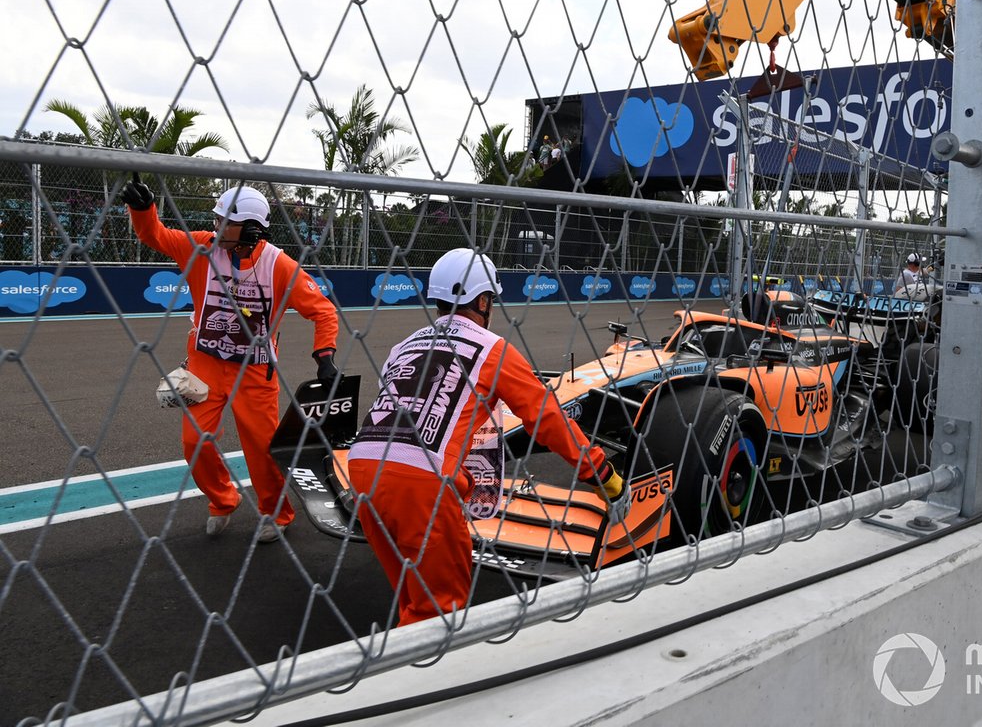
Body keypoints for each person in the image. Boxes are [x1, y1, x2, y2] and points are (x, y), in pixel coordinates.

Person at [347, 247, 630, 626]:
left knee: (415, 591)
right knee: (440, 611)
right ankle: (422, 679)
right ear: (483, 300)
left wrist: (460, 483)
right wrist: (600, 473)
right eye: (491, 300)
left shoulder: (405, 345)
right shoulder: (492, 350)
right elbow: (546, 418)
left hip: (363, 469)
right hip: (421, 482)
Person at [121, 176, 340, 543]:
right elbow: (154, 234)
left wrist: (325, 356)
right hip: (205, 364)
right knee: (195, 442)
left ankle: (277, 513)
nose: (217, 226)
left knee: (261, 450)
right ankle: (223, 500)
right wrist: (143, 209)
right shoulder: (202, 247)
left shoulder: (278, 265)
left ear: (252, 230)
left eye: (226, 221)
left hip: (254, 371)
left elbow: (323, 312)